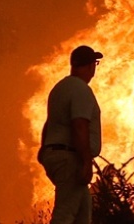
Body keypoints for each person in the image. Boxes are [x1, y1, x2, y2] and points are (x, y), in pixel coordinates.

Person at [38, 45, 104, 224]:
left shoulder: (60, 88)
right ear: (91, 66)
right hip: (70, 159)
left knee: (83, 215)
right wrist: (86, 161)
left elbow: (49, 123)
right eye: (95, 64)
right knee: (64, 215)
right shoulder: (80, 89)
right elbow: (79, 125)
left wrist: (43, 150)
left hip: (56, 154)